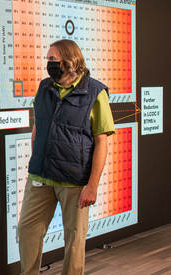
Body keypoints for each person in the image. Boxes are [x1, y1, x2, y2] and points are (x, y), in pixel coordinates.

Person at [18, 39, 115, 275]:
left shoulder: (95, 92)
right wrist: (37, 159)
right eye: (48, 59)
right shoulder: (43, 87)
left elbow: (101, 140)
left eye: (53, 59)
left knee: (74, 237)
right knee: (27, 230)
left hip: (74, 180)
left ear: (70, 61)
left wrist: (92, 185)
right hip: (40, 175)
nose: (48, 63)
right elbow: (38, 127)